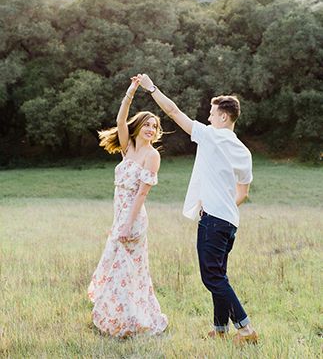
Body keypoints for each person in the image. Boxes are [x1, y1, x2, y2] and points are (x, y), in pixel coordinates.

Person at [138, 73, 258, 345]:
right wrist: (222, 205)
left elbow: (172, 110)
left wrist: (151, 87)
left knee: (212, 277)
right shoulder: (244, 151)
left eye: (212, 114)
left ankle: (246, 329)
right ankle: (219, 329)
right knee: (219, 275)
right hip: (229, 222)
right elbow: (243, 192)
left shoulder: (212, 136)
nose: (208, 119)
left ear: (224, 117)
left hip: (214, 221)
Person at [88, 76, 168, 338]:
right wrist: (132, 91)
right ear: (139, 127)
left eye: (154, 126)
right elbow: (121, 120)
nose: (150, 128)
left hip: (133, 218)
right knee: (118, 268)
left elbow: (142, 195)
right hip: (119, 215)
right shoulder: (128, 147)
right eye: (146, 124)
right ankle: (117, 319)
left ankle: (130, 323)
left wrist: (127, 224)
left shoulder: (152, 156)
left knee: (126, 270)